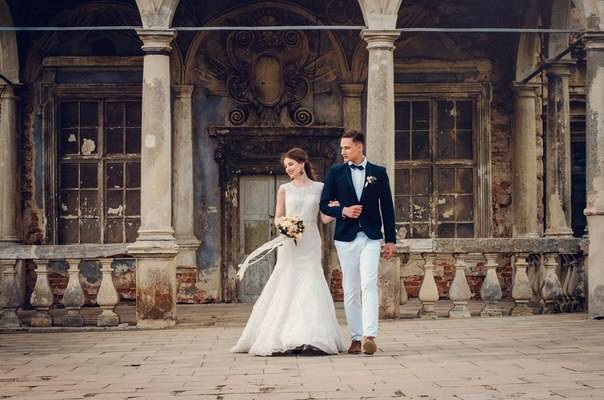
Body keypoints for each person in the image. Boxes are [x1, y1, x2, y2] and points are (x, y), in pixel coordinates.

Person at [231, 148, 345, 356]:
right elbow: (277, 217)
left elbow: (324, 218)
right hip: (290, 242)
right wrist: (285, 226)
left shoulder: (320, 188)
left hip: (310, 242)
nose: (288, 169)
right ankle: (282, 336)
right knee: (287, 282)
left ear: (302, 163)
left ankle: (313, 337)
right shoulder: (284, 189)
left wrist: (337, 208)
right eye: (286, 166)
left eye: (291, 164)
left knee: (311, 283)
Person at [320, 130, 396, 355]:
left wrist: (390, 240)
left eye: (347, 147)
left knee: (369, 283)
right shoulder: (335, 172)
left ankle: (369, 335)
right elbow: (324, 204)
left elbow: (387, 208)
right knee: (351, 288)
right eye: (341, 148)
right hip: (345, 238)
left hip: (371, 237)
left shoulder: (378, 173)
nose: (343, 151)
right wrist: (343, 211)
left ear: (359, 147)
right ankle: (355, 337)